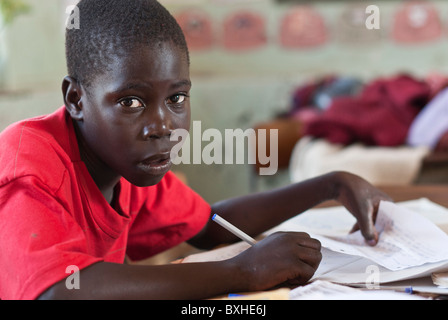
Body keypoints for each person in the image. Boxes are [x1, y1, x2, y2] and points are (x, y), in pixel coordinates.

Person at [0, 0, 391, 300]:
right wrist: (243, 272)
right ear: (76, 99)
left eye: (177, 98)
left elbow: (210, 227)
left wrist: (329, 185)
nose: (163, 126)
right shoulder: (30, 167)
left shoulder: (124, 162)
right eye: (131, 102)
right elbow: (60, 289)